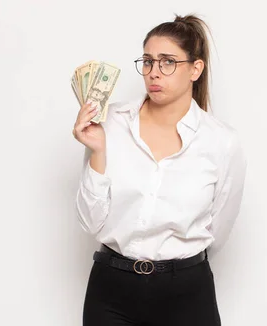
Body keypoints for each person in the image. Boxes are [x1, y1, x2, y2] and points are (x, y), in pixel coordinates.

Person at [72, 13, 247, 326]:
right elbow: (91, 222)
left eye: (168, 62)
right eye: (148, 61)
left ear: (196, 69)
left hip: (187, 293)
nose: (154, 73)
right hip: (112, 290)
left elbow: (218, 231)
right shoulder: (110, 123)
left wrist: (178, 264)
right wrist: (97, 150)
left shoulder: (222, 142)